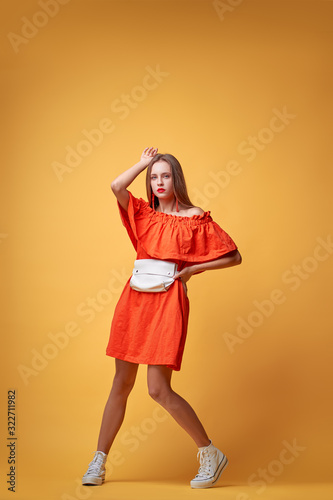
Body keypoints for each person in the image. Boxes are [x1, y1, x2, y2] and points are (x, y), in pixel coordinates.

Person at [82, 147, 242, 489]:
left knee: (158, 389)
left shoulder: (194, 216)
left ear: (176, 179)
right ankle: (99, 460)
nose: (158, 182)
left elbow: (234, 255)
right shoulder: (141, 213)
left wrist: (193, 270)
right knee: (121, 383)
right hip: (134, 300)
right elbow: (116, 185)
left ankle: (210, 453)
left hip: (168, 300)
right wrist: (142, 163)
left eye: (165, 175)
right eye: (153, 177)